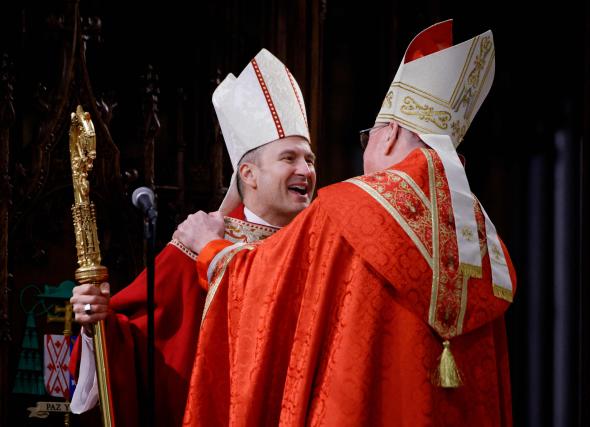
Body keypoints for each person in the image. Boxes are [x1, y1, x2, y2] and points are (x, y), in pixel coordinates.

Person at [177, 20, 517, 426]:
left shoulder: (351, 209)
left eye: (368, 137)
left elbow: (263, 292)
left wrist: (210, 248)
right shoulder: (481, 240)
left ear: (389, 135)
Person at [68, 48, 316, 427]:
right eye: (289, 158)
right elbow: (135, 348)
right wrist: (94, 325)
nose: (306, 170)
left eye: (310, 160)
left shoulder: (325, 244)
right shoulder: (191, 249)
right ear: (248, 174)